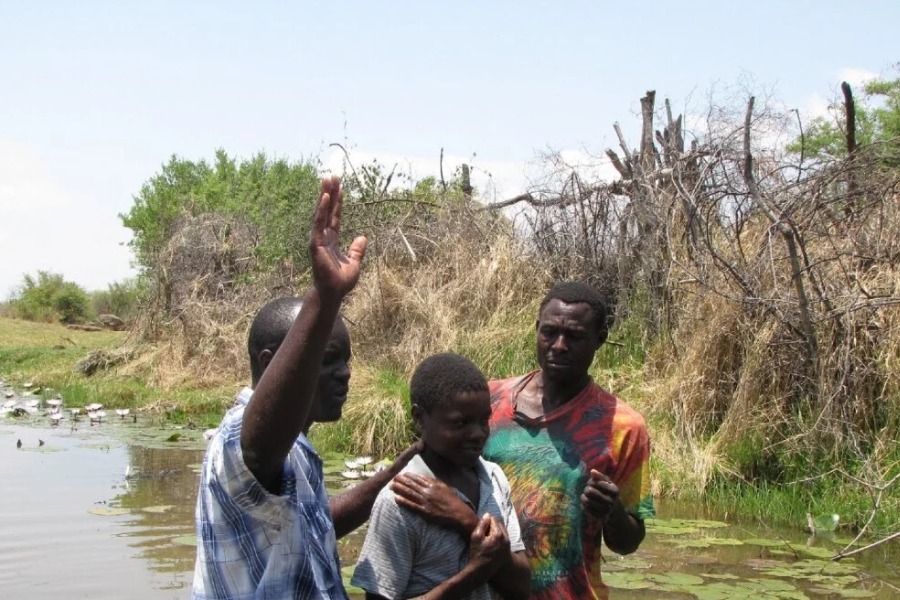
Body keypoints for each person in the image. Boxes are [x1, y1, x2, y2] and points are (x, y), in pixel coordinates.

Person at [193, 175, 422, 599]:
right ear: (270, 363)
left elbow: (314, 521)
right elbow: (258, 447)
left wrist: (388, 479)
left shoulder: (296, 448)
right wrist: (326, 296)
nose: (345, 374)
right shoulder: (239, 441)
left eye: (345, 360)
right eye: (325, 359)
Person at [392, 282, 654, 600]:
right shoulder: (486, 404)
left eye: (574, 336)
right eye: (549, 332)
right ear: (536, 329)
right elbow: (431, 478)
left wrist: (611, 512)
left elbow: (629, 542)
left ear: (599, 340)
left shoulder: (623, 427)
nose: (559, 345)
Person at [351, 353, 531, 600]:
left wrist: (466, 521)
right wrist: (473, 574)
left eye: (483, 421)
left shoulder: (494, 478)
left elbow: (521, 586)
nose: (478, 433)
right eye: (460, 423)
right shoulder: (400, 501)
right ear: (420, 417)